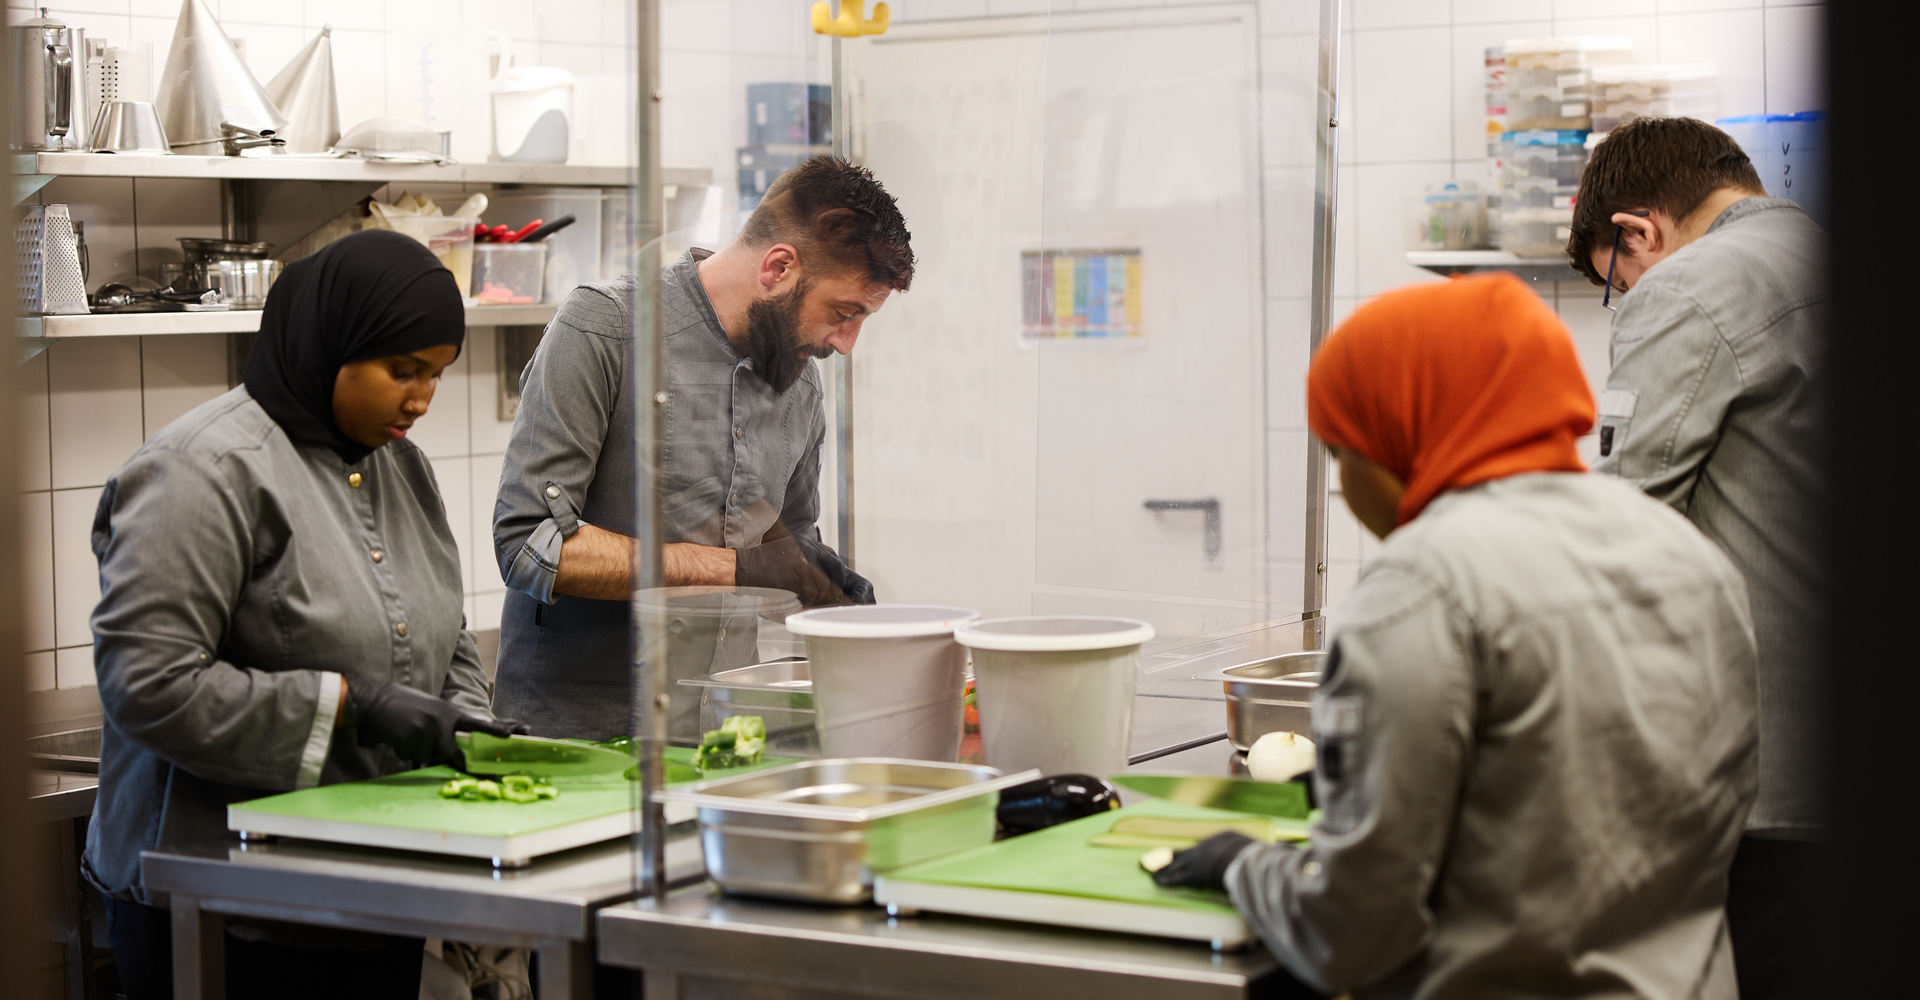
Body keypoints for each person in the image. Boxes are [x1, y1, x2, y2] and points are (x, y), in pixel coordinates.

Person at [1151, 274, 1759, 999]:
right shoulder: (1689, 555)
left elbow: (1351, 930)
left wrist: (1242, 866)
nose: (1346, 487)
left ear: (1402, 434)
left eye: (1345, 452)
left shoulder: (1421, 586)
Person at [83, 229, 521, 999]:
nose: (420, 399)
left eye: (437, 377)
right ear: (332, 343)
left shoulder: (401, 465)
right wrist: (351, 706)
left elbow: (446, 635)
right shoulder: (201, 472)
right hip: (214, 904)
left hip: (359, 884)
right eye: (402, 371)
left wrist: (465, 741)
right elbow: (148, 685)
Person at [492, 156, 913, 740]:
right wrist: (739, 568)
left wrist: (817, 581)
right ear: (779, 267)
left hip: (721, 734)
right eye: (844, 313)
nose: (845, 343)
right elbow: (530, 545)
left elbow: (779, 538)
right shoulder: (605, 328)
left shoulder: (800, 381)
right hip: (582, 741)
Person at [1564, 116, 1827, 1000]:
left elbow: (1623, 523)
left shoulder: (1691, 286)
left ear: (1639, 231)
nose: (1629, 294)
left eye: (1616, 280)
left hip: (1772, 793)